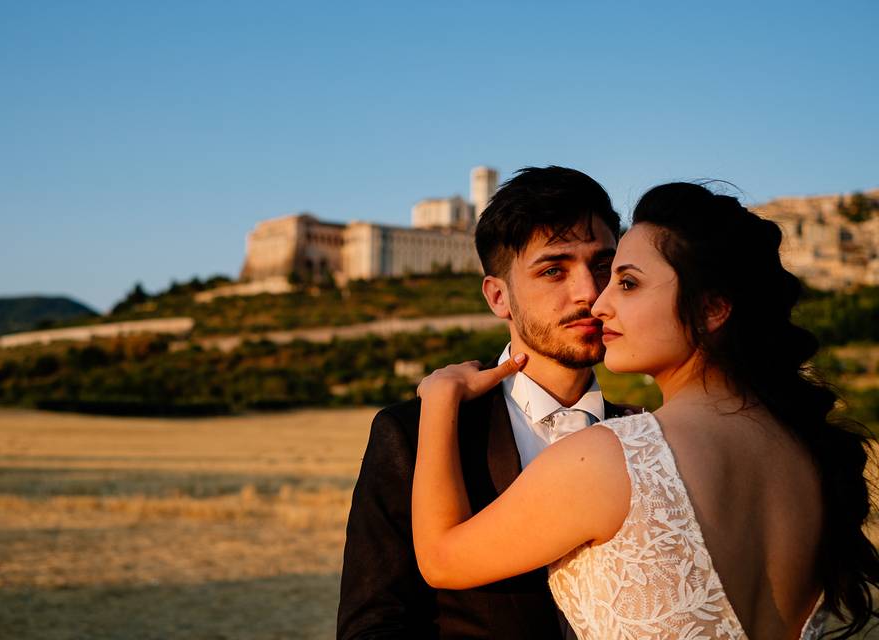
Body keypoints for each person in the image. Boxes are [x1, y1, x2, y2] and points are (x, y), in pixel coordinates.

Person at [412, 182, 879, 639]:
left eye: (627, 282)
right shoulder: (808, 458)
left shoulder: (614, 456)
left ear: (712, 309)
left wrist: (438, 401)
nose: (599, 301)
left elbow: (439, 560)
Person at [338, 167, 641, 639]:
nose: (588, 292)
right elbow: (374, 626)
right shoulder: (414, 433)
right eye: (553, 270)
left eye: (603, 264)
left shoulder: (649, 434)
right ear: (499, 296)